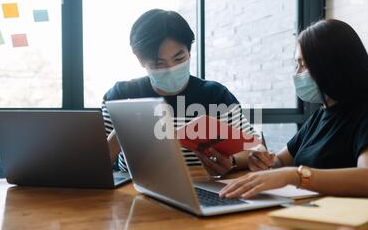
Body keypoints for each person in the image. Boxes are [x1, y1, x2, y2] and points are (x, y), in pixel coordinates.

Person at [220, 19, 368, 200]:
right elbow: (281, 161)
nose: (297, 73)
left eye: (304, 65)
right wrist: (263, 161)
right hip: (312, 211)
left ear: (332, 66)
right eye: (296, 65)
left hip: (350, 222)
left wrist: (295, 176)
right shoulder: (321, 115)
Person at [102, 9, 259, 177]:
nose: (170, 69)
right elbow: (89, 166)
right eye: (159, 63)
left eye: (179, 59)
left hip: (203, 188)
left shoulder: (215, 95)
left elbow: (255, 149)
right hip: (135, 193)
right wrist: (119, 136)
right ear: (140, 59)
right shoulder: (121, 95)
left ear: (189, 52)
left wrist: (232, 162)